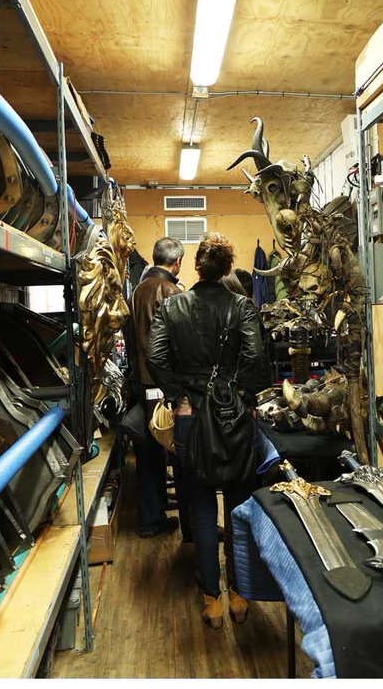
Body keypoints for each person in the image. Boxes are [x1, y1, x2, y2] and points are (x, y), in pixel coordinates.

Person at [147, 232, 267, 630]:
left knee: (199, 507)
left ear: (196, 265)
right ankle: (239, 595)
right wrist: (242, 396)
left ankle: (211, 600)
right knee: (237, 505)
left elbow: (155, 356)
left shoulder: (172, 306)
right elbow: (255, 356)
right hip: (234, 417)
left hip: (190, 415)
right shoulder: (242, 307)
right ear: (228, 267)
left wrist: (178, 394)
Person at [127, 237, 184, 538]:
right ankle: (153, 520)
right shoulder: (170, 291)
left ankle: (154, 512)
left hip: (141, 380)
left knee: (149, 454)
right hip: (161, 385)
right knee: (168, 449)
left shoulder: (138, 290)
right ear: (177, 263)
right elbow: (176, 344)